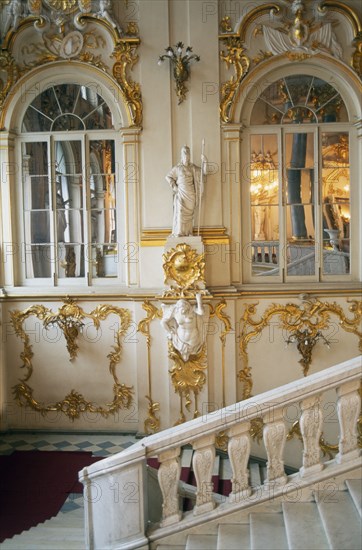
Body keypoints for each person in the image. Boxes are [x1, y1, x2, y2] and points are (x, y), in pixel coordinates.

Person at [166, 145, 207, 237]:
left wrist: (204, 161)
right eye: (184, 153)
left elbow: (203, 173)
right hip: (181, 193)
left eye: (188, 153)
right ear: (182, 155)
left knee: (190, 215)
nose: (186, 155)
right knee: (180, 212)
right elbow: (168, 177)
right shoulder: (177, 168)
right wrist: (174, 187)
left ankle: (188, 232)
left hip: (191, 194)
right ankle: (179, 232)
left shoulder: (193, 168)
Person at [161, 293, 205, 361]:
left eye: (184, 309)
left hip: (193, 340)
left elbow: (201, 312)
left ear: (187, 306)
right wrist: (170, 332)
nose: (183, 311)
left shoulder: (191, 310)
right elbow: (163, 322)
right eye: (181, 310)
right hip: (179, 340)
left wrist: (198, 300)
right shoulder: (175, 312)